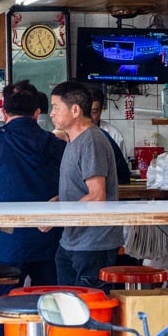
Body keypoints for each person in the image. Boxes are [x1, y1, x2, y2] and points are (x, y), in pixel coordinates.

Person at [0, 80, 66, 286]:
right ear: (37, 113)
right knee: (51, 300)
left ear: (3, 113)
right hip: (50, 240)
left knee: (4, 302)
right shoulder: (56, 144)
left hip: (6, 241)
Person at [49, 81, 122, 289]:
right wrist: (55, 204)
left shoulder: (92, 141)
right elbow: (79, 191)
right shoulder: (74, 140)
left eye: (56, 108)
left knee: (89, 304)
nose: (52, 114)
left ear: (75, 110)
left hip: (93, 243)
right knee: (68, 303)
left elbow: (97, 196)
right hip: (72, 240)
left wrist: (57, 215)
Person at [88, 88, 131, 184]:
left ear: (101, 111)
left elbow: (122, 170)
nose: (89, 117)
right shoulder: (72, 134)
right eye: (87, 111)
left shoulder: (113, 134)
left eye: (94, 112)